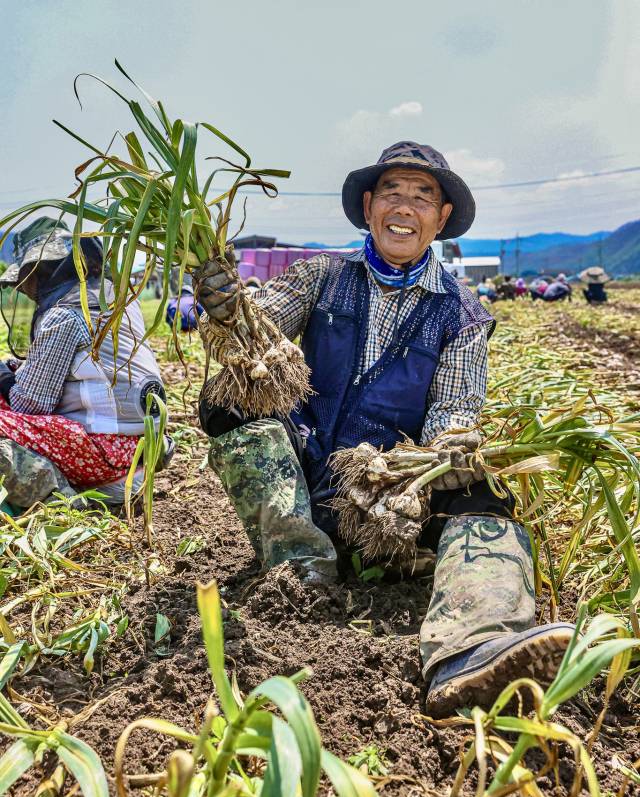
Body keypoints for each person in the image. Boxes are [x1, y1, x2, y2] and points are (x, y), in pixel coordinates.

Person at [193, 141, 574, 718]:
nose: (405, 207)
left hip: (387, 505)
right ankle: (299, 572)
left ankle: (472, 647)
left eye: (423, 196)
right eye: (392, 192)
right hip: (302, 474)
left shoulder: (461, 314)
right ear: (369, 206)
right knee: (227, 401)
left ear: (441, 219)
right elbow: (256, 340)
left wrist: (426, 464)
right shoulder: (321, 276)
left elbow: (452, 411)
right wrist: (228, 312)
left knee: (483, 492)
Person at [0, 218, 171, 509]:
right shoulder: (120, 300)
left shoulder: (64, 315)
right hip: (146, 446)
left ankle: (62, 498)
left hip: (106, 455)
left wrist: (4, 378)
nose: (24, 289)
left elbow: (30, 404)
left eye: (26, 279)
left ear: (42, 271)